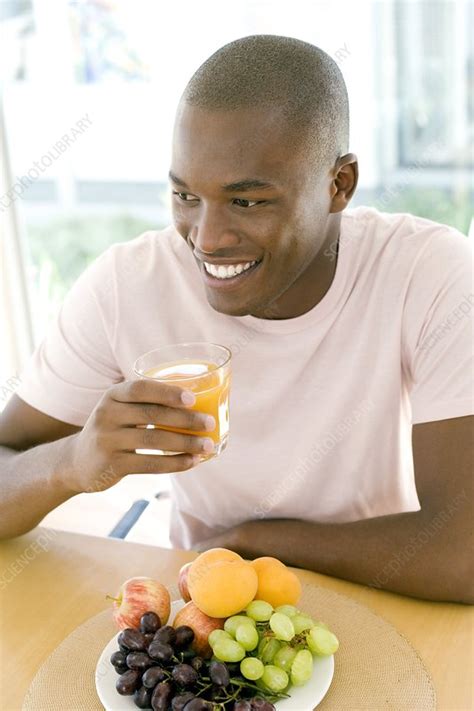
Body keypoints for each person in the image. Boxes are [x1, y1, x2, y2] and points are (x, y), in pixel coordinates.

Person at [0, 36, 472, 603]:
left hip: (386, 591)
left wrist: (257, 543)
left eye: (247, 202)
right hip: (209, 605)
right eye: (185, 195)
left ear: (338, 184)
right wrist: (69, 465)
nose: (207, 238)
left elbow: (462, 555)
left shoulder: (429, 272)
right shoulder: (128, 286)